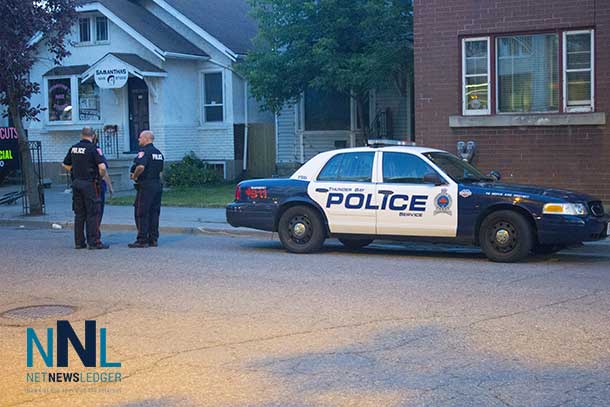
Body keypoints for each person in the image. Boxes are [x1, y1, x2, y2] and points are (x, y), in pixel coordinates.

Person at [62, 127, 109, 250]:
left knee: (79, 214)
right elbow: (102, 167)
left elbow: (65, 164)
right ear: (93, 135)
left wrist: (74, 171)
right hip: (90, 184)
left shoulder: (74, 148)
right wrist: (100, 176)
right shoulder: (94, 148)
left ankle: (79, 242)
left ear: (81, 135)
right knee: (93, 213)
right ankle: (93, 242)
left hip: (77, 183)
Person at [128, 130, 164, 248]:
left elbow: (141, 166)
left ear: (146, 138)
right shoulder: (158, 153)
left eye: (140, 138)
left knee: (141, 212)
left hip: (146, 185)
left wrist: (135, 176)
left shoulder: (144, 152)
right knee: (154, 212)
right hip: (157, 185)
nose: (138, 140)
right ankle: (153, 239)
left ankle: (142, 239)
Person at [92, 133, 114, 227]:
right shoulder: (97, 151)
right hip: (97, 185)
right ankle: (95, 235)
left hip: (83, 184)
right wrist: (110, 187)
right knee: (98, 211)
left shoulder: (78, 150)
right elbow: (104, 170)